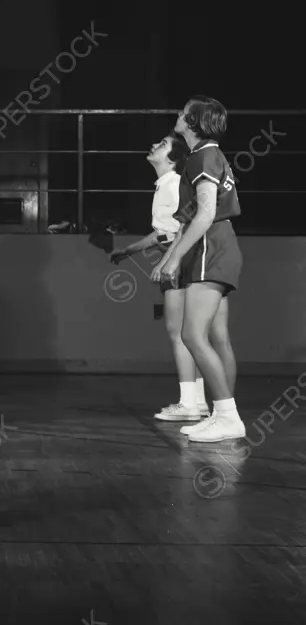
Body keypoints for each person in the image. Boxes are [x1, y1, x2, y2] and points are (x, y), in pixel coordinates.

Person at [151, 96, 244, 443]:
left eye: (182, 112)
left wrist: (174, 259)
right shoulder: (203, 155)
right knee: (216, 338)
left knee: (192, 335)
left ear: (192, 121)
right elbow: (189, 217)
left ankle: (228, 417)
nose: (176, 114)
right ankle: (221, 413)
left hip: (212, 249)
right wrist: (167, 257)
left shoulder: (204, 156)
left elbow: (204, 214)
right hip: (216, 248)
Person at [111, 134, 209, 421]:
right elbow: (162, 232)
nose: (154, 145)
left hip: (181, 259)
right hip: (177, 257)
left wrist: (168, 260)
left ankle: (189, 403)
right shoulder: (165, 185)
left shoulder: (175, 184)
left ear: (172, 158)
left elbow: (183, 228)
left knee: (179, 332)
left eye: (162, 144)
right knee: (187, 333)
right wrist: (129, 250)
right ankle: (198, 401)